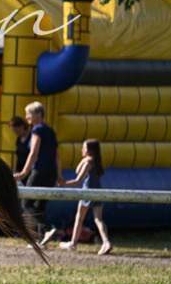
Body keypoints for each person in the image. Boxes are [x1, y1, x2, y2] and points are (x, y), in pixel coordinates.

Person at [13, 101, 62, 246]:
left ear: (38, 114)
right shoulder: (50, 130)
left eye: (29, 113)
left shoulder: (37, 130)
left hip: (39, 172)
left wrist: (23, 173)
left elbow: (33, 153)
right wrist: (58, 174)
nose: (27, 116)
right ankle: (41, 240)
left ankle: (48, 229)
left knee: (26, 202)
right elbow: (57, 155)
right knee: (40, 206)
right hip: (51, 172)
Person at [59, 139, 112, 255]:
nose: (82, 150)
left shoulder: (88, 163)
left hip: (87, 193)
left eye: (84, 148)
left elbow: (78, 179)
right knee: (98, 219)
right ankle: (106, 242)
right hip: (98, 192)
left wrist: (64, 183)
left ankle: (73, 243)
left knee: (79, 218)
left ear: (90, 150)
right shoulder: (96, 162)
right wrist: (84, 159)